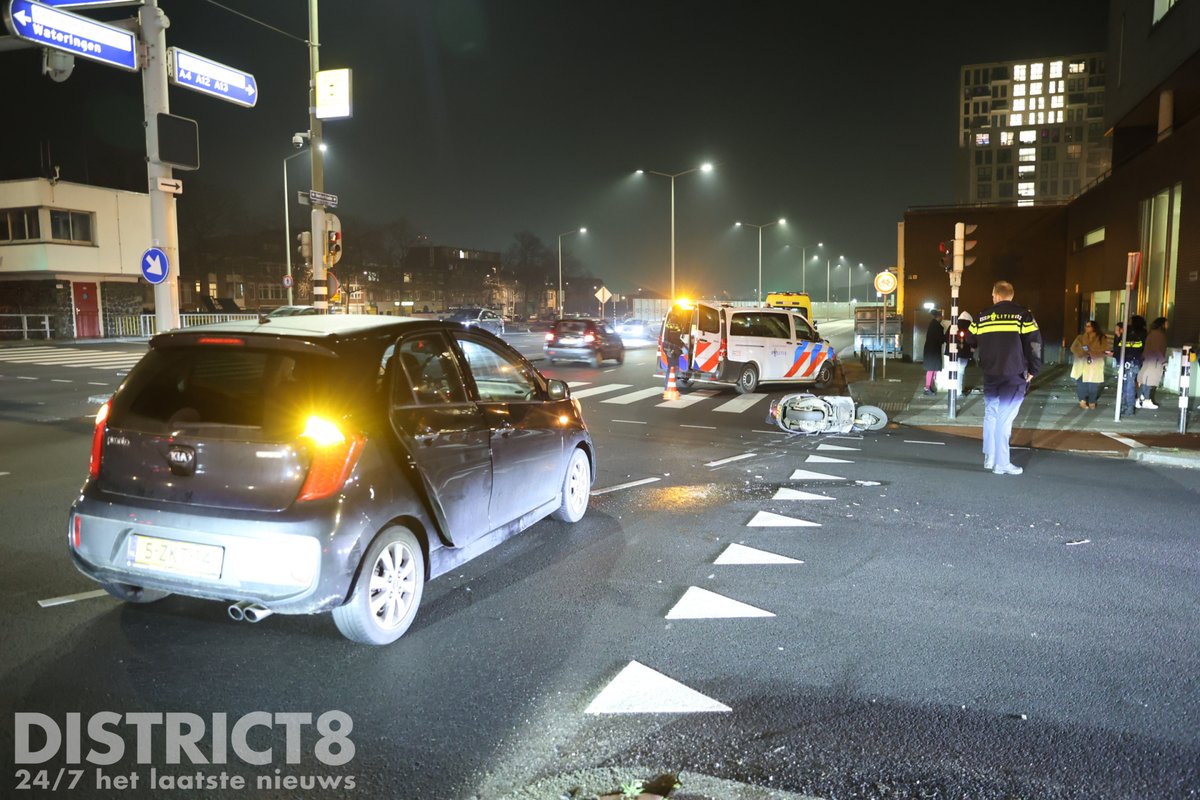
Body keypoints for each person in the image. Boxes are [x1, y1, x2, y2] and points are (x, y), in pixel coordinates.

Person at [965, 281, 1042, 476]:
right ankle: (1002, 463)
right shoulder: (1023, 315)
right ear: (1011, 295)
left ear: (996, 295)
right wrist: (1034, 368)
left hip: (991, 373)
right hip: (1014, 373)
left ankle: (990, 457)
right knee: (1004, 419)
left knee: (991, 413)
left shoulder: (982, 316)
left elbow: (970, 339)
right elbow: (1034, 343)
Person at [1069, 320, 1109, 409]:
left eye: (1088, 326)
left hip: (1094, 364)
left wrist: (1092, 352)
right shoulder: (1080, 337)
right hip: (1082, 364)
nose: (1086, 328)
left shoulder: (1101, 338)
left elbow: (1105, 349)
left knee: (1093, 385)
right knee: (1081, 383)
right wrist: (1082, 352)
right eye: (1086, 326)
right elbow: (1073, 348)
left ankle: (1092, 401)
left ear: (1094, 327)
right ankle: (1082, 401)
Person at [1115, 315, 1147, 416]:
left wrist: (1119, 336)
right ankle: (1127, 406)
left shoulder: (1129, 333)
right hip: (1133, 361)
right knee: (1128, 384)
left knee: (1127, 385)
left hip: (1128, 361)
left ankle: (1128, 407)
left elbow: (1119, 346)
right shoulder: (1142, 333)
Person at [1137, 317, 1169, 409]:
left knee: (1145, 380)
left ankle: (1140, 400)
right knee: (1149, 381)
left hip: (1149, 359)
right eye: (1166, 323)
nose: (1168, 325)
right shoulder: (1158, 334)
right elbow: (1157, 348)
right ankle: (1146, 400)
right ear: (1162, 324)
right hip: (1154, 361)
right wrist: (1163, 361)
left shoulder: (1152, 333)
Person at [945, 311, 975, 394]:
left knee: (952, 371)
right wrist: (973, 347)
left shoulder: (953, 325)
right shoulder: (970, 326)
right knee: (961, 371)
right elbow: (973, 339)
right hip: (964, 353)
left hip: (952, 352)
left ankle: (951, 389)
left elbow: (946, 337)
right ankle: (959, 389)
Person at [922, 308, 946, 395]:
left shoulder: (933, 325)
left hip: (930, 350)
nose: (942, 319)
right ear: (938, 317)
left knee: (932, 369)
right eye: (942, 317)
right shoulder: (937, 326)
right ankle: (927, 388)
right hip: (933, 351)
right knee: (932, 369)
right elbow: (941, 338)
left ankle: (929, 387)